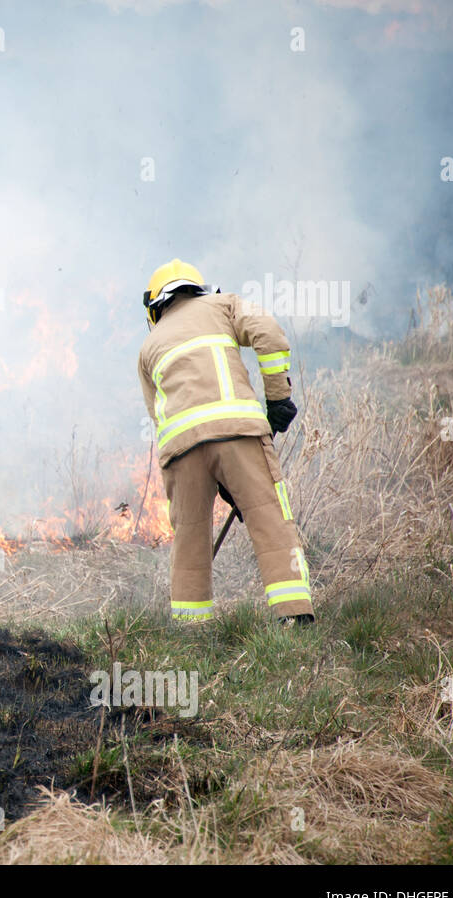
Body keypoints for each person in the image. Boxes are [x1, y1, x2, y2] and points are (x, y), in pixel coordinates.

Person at [138, 258, 314, 625]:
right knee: (268, 516)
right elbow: (270, 334)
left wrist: (210, 474)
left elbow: (159, 416)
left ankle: (191, 629)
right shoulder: (223, 305)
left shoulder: (148, 346)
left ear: (156, 307)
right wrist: (278, 397)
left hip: (181, 449)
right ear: (199, 289)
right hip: (238, 433)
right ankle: (295, 615)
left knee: (189, 536)